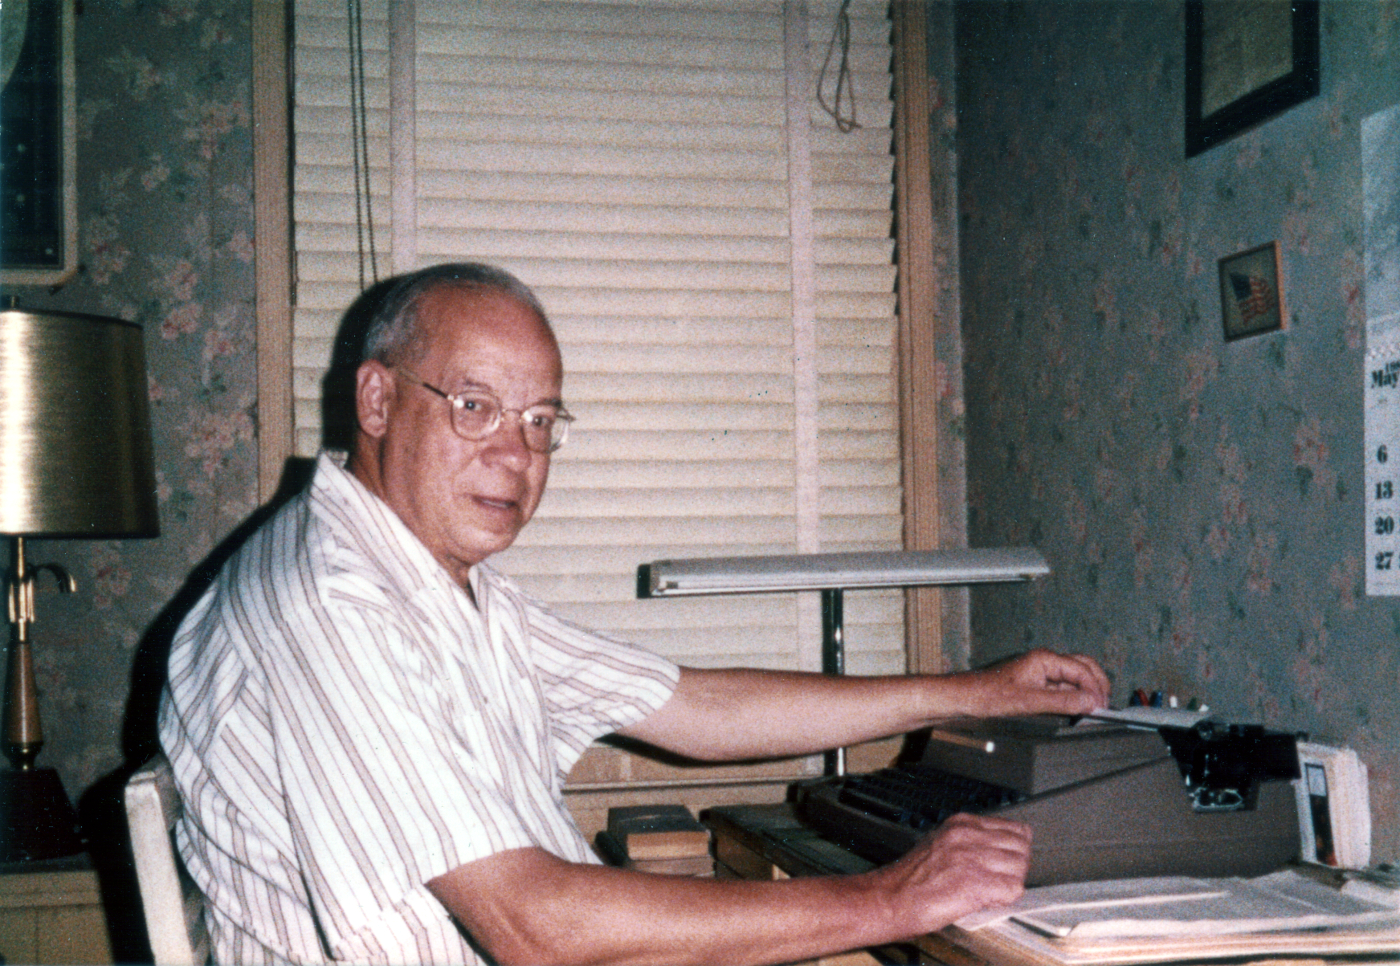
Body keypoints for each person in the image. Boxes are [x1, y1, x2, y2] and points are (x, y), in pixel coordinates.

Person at [160, 262, 1110, 966]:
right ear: (376, 399)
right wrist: (889, 897)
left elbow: (695, 709)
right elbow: (535, 925)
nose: (516, 455)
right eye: (476, 407)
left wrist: (976, 692)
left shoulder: (434, 581)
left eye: (540, 422)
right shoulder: (330, 604)